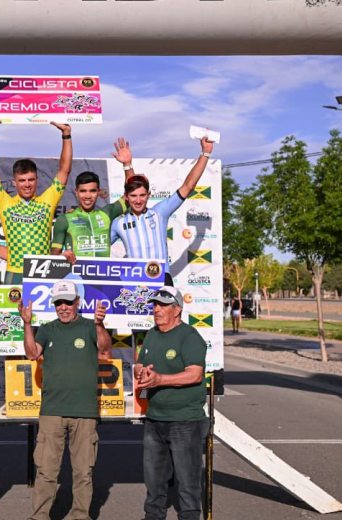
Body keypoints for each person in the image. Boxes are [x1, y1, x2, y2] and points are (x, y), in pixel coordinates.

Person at [19, 280, 112, 520]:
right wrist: (27, 323)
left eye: (68, 302)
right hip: (52, 411)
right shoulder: (48, 329)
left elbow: (105, 349)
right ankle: (39, 516)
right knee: (46, 472)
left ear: (77, 302)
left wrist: (100, 324)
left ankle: (80, 516)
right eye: (58, 302)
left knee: (83, 473)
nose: (63, 307)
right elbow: (31, 353)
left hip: (85, 411)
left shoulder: (91, 326)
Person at [134, 285, 208, 520]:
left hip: (184, 420)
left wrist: (160, 379)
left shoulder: (190, 337)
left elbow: (195, 374)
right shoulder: (152, 334)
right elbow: (139, 363)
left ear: (176, 310)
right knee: (154, 480)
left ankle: (189, 516)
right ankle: (153, 516)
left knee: (187, 481)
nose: (156, 309)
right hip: (155, 418)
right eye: (155, 304)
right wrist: (141, 371)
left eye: (163, 305)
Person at [110, 136, 215, 285]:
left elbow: (188, 186)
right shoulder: (118, 223)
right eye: (133, 196)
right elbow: (97, 247)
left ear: (149, 195)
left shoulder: (159, 212)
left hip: (162, 279)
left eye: (142, 195)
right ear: (126, 197)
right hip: (134, 282)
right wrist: (127, 165)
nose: (138, 200)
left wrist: (205, 153)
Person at [0, 120, 73, 284]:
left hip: (43, 270)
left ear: (37, 180)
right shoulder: (5, 203)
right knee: (11, 311)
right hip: (14, 272)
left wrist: (66, 135)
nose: (27, 184)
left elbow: (64, 170)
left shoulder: (47, 201)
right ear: (14, 182)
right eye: (22, 180)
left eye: (31, 179)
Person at [50, 138, 135, 263]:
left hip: (102, 276)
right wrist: (63, 256)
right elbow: (52, 258)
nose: (88, 196)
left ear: (99, 192)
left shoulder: (106, 213)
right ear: (76, 192)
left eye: (92, 191)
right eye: (83, 191)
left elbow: (131, 195)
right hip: (75, 278)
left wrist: (127, 165)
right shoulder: (64, 219)